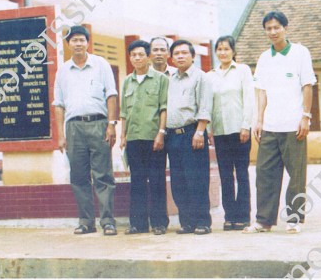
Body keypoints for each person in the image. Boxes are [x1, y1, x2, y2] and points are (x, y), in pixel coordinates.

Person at [245, 11, 316, 234]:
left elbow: (307, 85)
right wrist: (259, 120)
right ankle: (263, 221)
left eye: (277, 27)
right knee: (265, 174)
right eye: (269, 28)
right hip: (270, 126)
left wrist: (306, 116)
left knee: (296, 176)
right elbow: (262, 91)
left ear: (285, 28)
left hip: (294, 126)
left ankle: (294, 219)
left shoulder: (300, 52)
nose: (273, 32)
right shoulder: (264, 58)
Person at [52, 25, 119, 235]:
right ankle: (86, 222)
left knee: (103, 175)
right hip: (74, 128)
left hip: (99, 124)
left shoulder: (101, 64)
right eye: (74, 40)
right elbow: (58, 104)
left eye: (82, 40)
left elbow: (111, 95)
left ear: (87, 42)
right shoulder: (63, 70)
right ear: (68, 44)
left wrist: (111, 124)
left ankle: (108, 221)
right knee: (79, 176)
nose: (78, 43)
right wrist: (61, 136)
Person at [119, 40, 169, 235]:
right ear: (130, 58)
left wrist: (161, 133)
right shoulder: (127, 81)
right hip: (133, 138)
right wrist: (123, 136)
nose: (137, 58)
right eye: (134, 55)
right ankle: (138, 224)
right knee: (137, 182)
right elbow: (124, 112)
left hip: (153, 138)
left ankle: (159, 223)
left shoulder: (160, 79)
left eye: (141, 54)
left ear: (148, 56)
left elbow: (164, 108)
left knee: (156, 181)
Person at [207, 36, 255, 231]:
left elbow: (249, 99)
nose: (223, 52)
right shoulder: (210, 75)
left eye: (226, 49)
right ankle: (230, 216)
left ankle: (243, 216)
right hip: (220, 132)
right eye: (219, 49)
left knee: (241, 173)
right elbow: (208, 104)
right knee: (225, 175)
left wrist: (246, 126)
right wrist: (210, 130)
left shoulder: (242, 70)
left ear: (233, 51)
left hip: (239, 130)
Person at [165, 39, 213, 234]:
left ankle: (203, 222)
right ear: (172, 58)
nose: (180, 56)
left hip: (192, 134)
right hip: (173, 136)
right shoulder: (170, 79)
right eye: (176, 53)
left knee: (197, 180)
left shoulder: (201, 77)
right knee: (179, 181)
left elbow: (205, 106)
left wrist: (200, 131)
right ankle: (187, 222)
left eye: (184, 53)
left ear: (193, 56)